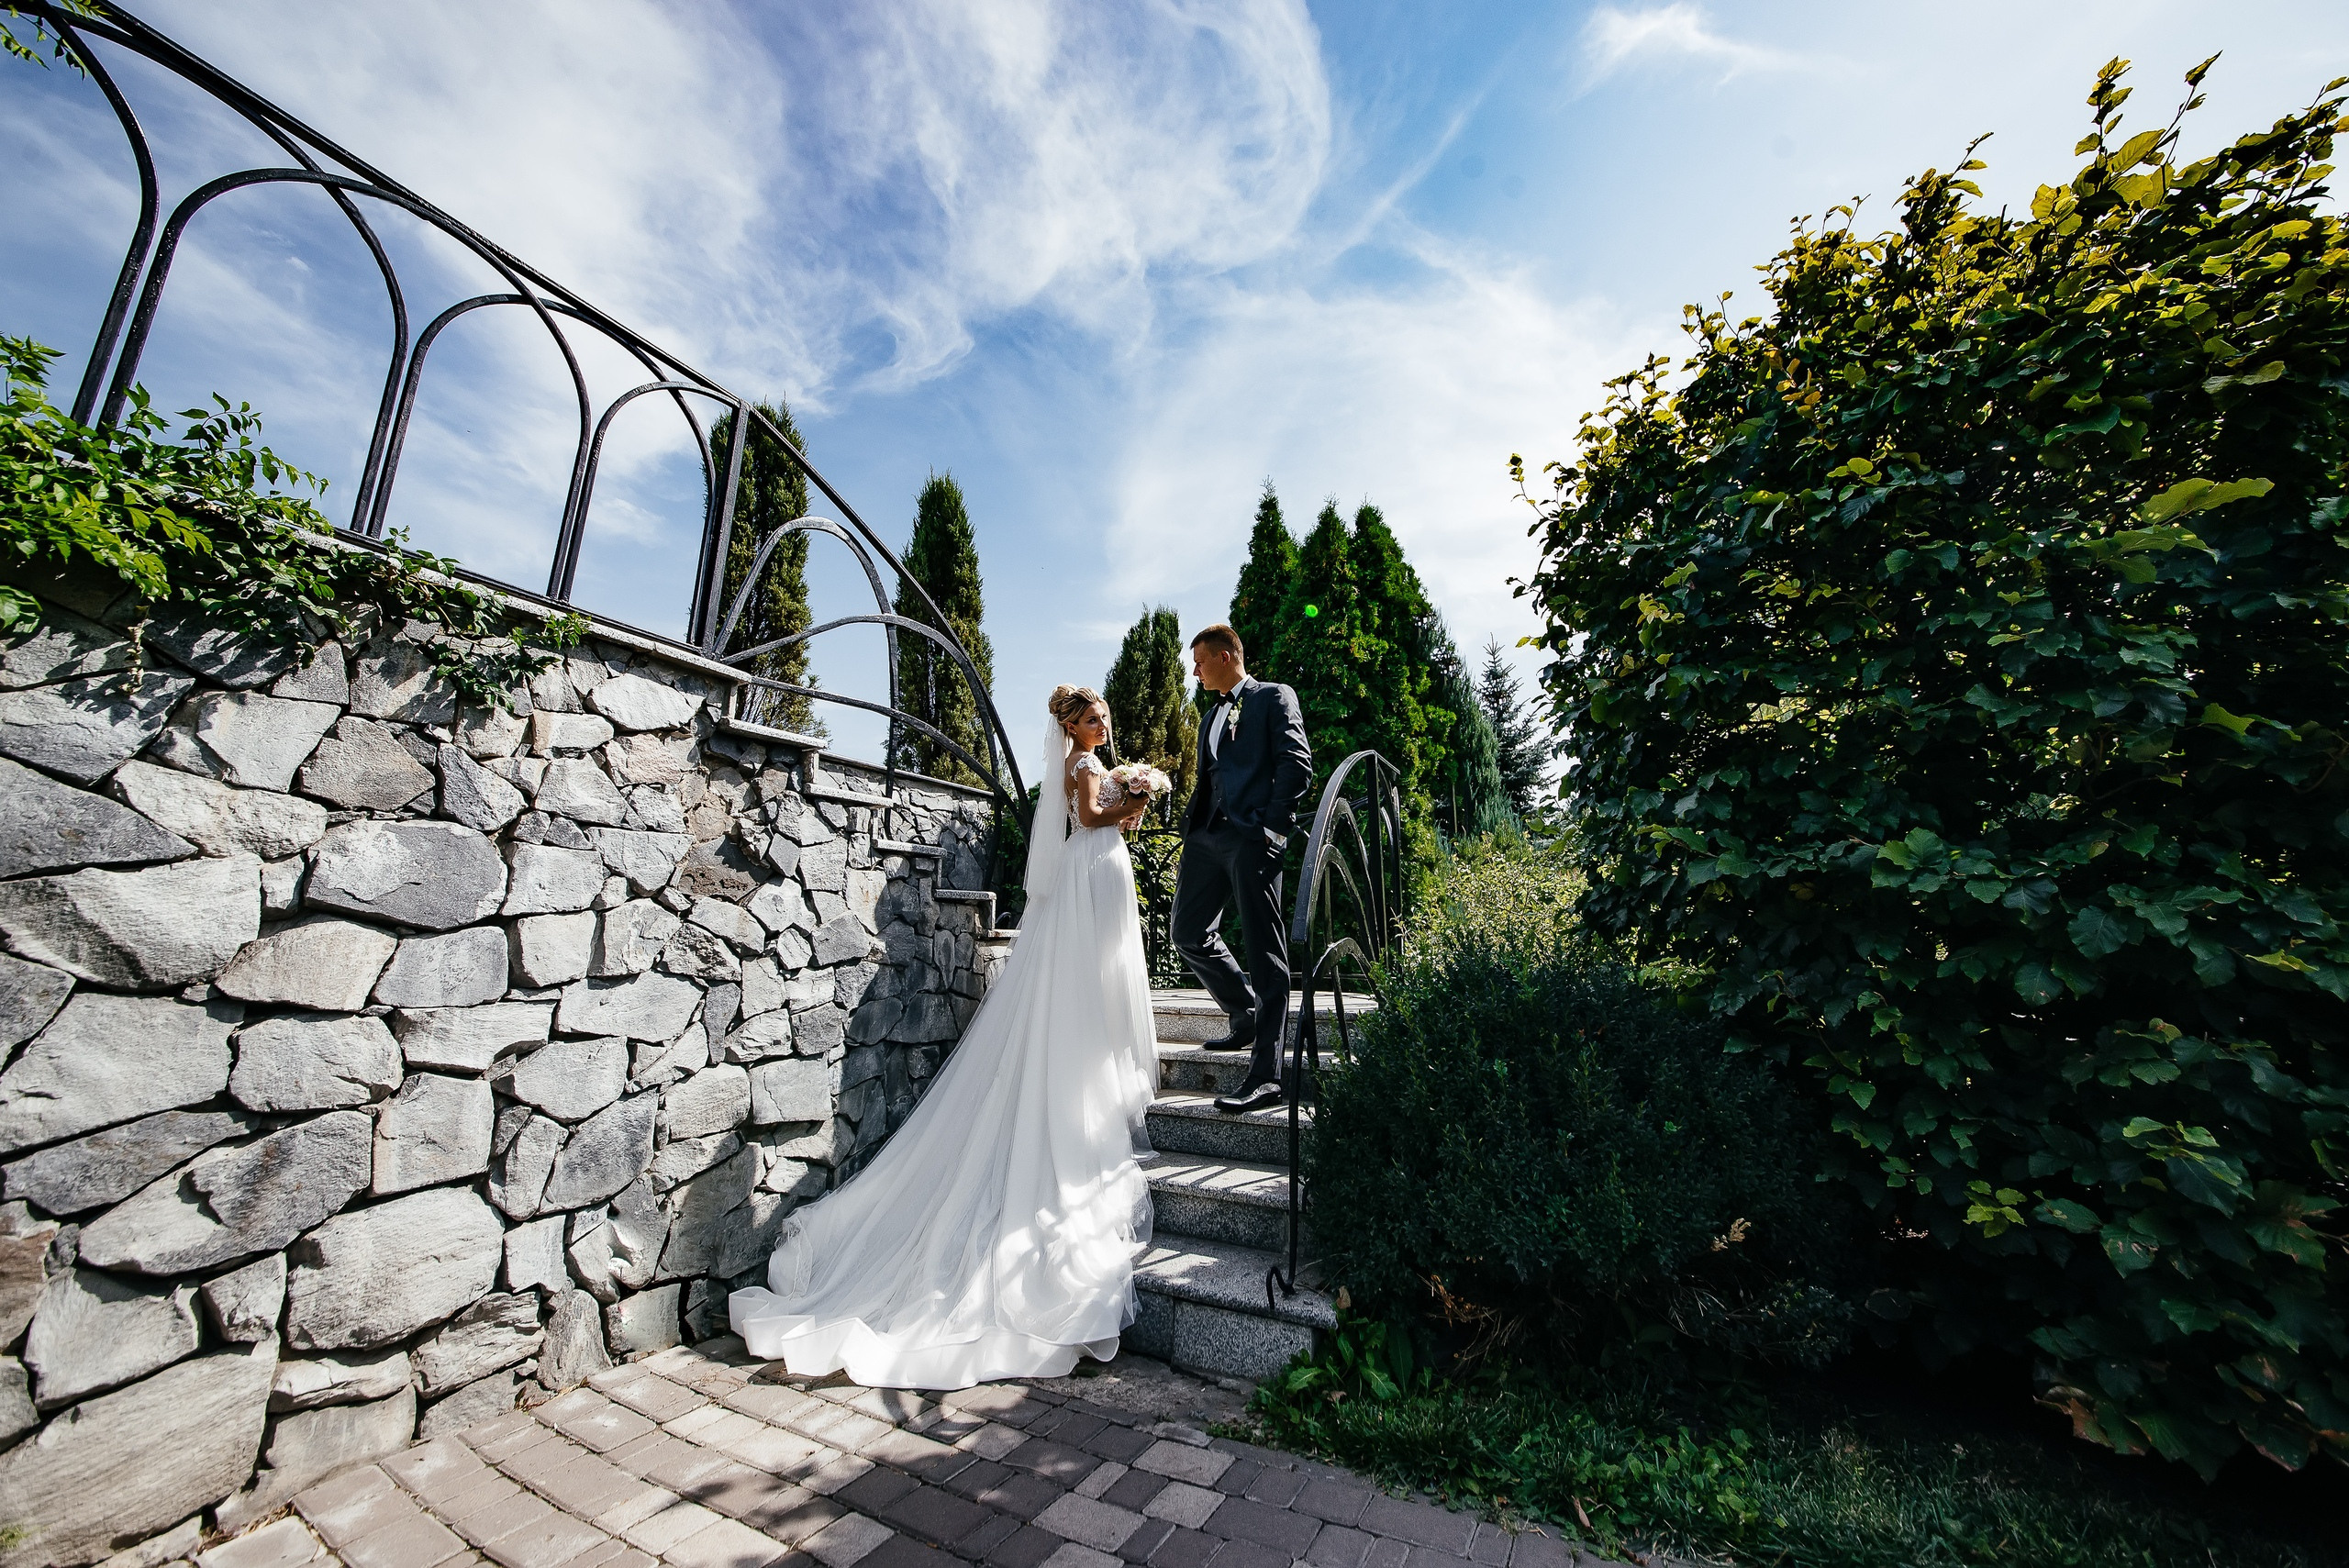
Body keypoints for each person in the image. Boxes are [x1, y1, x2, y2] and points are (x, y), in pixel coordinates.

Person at [729, 685, 1159, 1388]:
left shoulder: (1099, 759)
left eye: (1105, 716)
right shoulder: (1082, 768)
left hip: (1102, 881)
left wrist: (1132, 799)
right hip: (1086, 880)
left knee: (1100, 983)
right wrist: (1134, 798)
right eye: (1090, 718)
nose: (1101, 725)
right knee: (1077, 992)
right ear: (1070, 729)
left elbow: (1111, 822)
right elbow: (1089, 816)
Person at [1172, 624, 1312, 1116]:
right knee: (1187, 932)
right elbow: (1212, 775)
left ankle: (1267, 1075)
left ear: (1228, 656)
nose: (1194, 671)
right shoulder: (1210, 713)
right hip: (1206, 838)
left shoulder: (1273, 697)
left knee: (1266, 951)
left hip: (1252, 838)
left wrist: (1274, 829)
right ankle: (1244, 1012)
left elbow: (1297, 763)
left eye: (1201, 661)